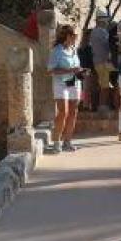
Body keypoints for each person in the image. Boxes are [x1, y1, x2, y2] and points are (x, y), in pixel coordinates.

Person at [47, 25, 85, 153]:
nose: (76, 38)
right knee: (63, 112)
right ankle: (56, 142)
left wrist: (81, 71)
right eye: (75, 36)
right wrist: (70, 70)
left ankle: (67, 142)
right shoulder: (57, 51)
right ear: (68, 36)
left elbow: (76, 67)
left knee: (73, 112)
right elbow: (50, 70)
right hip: (60, 84)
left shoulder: (74, 49)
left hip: (74, 82)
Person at [90, 10, 112, 112]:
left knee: (101, 84)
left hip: (97, 61)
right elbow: (108, 46)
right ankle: (102, 106)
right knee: (105, 86)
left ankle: (98, 105)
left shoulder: (94, 31)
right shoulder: (103, 32)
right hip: (103, 62)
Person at [77, 29, 95, 111]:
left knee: (84, 88)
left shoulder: (81, 47)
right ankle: (86, 105)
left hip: (82, 69)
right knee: (87, 88)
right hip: (88, 69)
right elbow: (90, 60)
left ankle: (83, 104)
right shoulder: (88, 47)